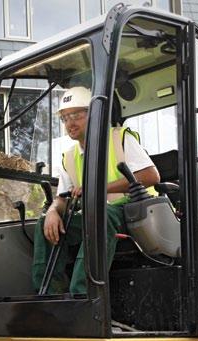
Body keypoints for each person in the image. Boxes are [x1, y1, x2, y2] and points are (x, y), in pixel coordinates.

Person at [32, 87, 160, 294]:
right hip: (97, 216)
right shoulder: (69, 156)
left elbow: (151, 176)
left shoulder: (119, 138)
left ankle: (84, 295)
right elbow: (62, 198)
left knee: (99, 214)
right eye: (64, 118)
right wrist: (53, 211)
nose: (69, 123)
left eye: (75, 115)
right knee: (45, 223)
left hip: (136, 214)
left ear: (94, 114)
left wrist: (97, 189)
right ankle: (48, 296)